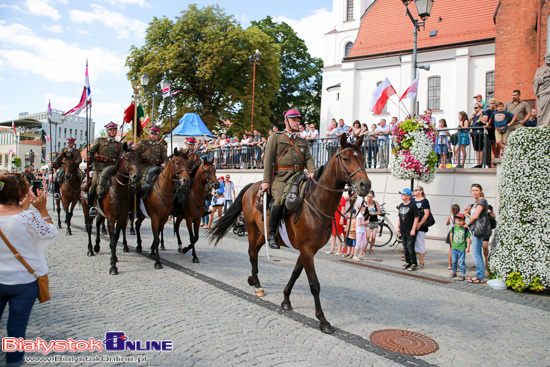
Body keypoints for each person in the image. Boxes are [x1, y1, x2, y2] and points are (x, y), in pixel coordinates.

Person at [0, 174, 57, 366]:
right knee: (17, 327)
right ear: (21, 193)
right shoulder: (29, 216)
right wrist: (43, 210)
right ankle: (14, 362)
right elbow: (50, 232)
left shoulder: (24, 215)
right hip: (24, 281)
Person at [262, 109, 316, 249]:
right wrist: (266, 181)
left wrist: (312, 172)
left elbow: (308, 158)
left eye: (298, 120)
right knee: (279, 200)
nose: (297, 122)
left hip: (299, 175)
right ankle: (272, 234)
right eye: (293, 120)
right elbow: (268, 160)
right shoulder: (276, 137)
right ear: (286, 121)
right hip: (282, 177)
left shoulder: (302, 141)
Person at [87, 122, 123, 216]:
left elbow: (121, 157)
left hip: (112, 169)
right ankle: (91, 207)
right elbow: (91, 151)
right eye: (110, 130)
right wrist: (89, 158)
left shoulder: (119, 145)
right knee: (95, 183)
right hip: (99, 167)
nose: (112, 131)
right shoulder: (100, 141)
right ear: (107, 131)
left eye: (114, 130)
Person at [465, 183, 489, 284]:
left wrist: (467, 224)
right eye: (473, 190)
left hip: (478, 229)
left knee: (476, 253)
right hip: (476, 229)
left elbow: (475, 216)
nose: (474, 192)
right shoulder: (476, 202)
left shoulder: (481, 201)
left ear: (481, 191)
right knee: (478, 253)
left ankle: (479, 276)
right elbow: (472, 216)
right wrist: (466, 213)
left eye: (476, 190)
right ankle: (480, 275)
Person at [136, 126, 167, 193]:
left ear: (158, 136)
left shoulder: (161, 147)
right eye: (152, 134)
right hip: (144, 167)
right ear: (149, 134)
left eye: (156, 134)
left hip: (156, 167)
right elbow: (136, 155)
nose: (154, 136)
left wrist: (164, 163)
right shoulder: (142, 143)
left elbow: (165, 158)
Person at [397, 188, 420, 271]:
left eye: (403, 194)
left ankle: (414, 263)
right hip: (403, 230)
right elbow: (400, 217)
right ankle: (407, 262)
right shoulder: (401, 205)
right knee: (405, 247)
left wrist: (413, 229)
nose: (401, 196)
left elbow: (416, 218)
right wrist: (398, 226)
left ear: (408, 196)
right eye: (402, 194)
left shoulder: (413, 206)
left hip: (410, 230)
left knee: (410, 247)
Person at [412, 186, 430, 269]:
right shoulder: (412, 200)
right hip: (412, 224)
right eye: (414, 190)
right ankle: (413, 261)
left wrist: (420, 223)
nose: (414, 191)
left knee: (420, 243)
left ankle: (421, 261)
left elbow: (426, 214)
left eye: (416, 190)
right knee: (412, 243)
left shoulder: (424, 201)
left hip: (421, 226)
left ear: (421, 191)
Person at [449, 213, 471, 281]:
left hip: (461, 248)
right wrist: (452, 244)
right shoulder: (454, 227)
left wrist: (468, 247)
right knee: (454, 261)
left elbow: (468, 238)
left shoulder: (465, 229)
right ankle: (454, 272)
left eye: (460, 221)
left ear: (464, 221)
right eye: (457, 220)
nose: (458, 222)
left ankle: (462, 274)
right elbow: (451, 235)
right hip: (454, 247)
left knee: (461, 262)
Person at [533, 53, 550, 127]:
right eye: (547, 57)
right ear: (544, 58)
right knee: (542, 108)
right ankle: (543, 124)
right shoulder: (540, 70)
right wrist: (545, 77)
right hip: (544, 91)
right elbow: (535, 81)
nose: (549, 58)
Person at [470, 102, 488, 168]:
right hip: (474, 132)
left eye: (476, 108)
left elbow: (484, 121)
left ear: (480, 108)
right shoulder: (474, 115)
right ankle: (478, 163)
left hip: (479, 132)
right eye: (474, 108)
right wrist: (471, 118)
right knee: (476, 149)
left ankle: (480, 163)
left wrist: (480, 116)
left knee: (480, 148)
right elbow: (471, 124)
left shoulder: (484, 112)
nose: (475, 109)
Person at [364, 191, 381, 255]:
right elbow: (361, 211)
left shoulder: (375, 203)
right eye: (368, 196)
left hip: (374, 220)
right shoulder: (365, 203)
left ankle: (370, 249)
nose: (369, 198)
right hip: (367, 221)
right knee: (368, 236)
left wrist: (374, 213)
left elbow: (379, 212)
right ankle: (364, 249)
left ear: (373, 197)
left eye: (370, 197)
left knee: (373, 237)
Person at [445, 204, 460, 270]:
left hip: (451, 233)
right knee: (459, 249)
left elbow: (447, 223)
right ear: (459, 210)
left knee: (451, 249)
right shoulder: (459, 217)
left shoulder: (450, 217)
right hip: (458, 233)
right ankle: (457, 265)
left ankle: (450, 265)